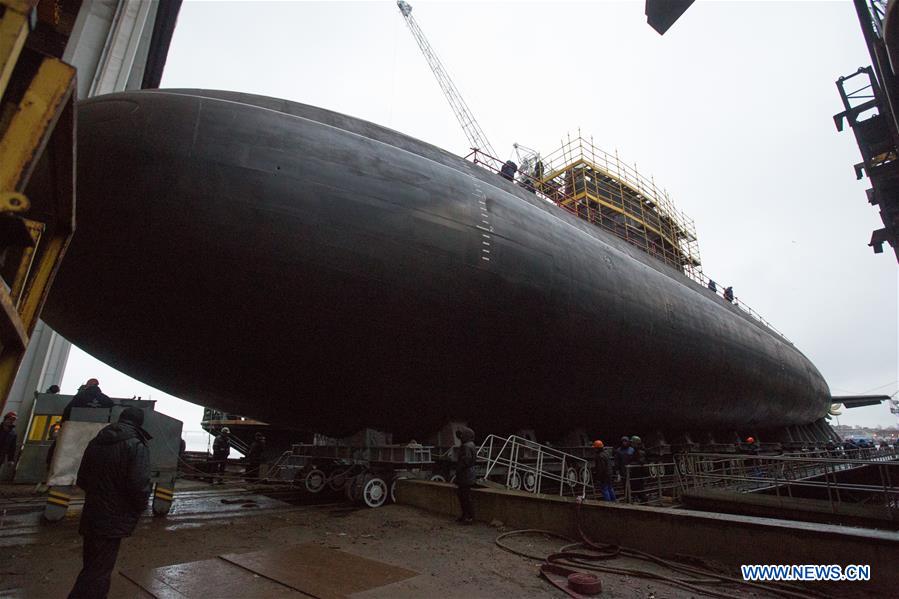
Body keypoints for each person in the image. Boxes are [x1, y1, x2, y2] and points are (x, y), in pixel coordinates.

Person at [68, 407, 151, 599]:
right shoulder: (135, 445)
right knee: (100, 571)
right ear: (139, 423)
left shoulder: (96, 441)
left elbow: (82, 479)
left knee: (91, 567)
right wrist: (139, 507)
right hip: (115, 516)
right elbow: (139, 484)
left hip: (92, 514)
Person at [454, 426, 477, 524]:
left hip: (465, 475)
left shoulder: (466, 446)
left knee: (464, 496)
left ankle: (468, 517)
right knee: (464, 496)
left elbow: (465, 460)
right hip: (469, 474)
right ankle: (466, 516)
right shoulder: (471, 444)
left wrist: (458, 469)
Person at [629, 435, 647, 503]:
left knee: (640, 487)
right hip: (636, 473)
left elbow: (641, 462)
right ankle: (640, 499)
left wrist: (631, 464)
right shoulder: (636, 451)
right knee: (636, 487)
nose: (631, 444)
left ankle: (643, 500)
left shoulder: (640, 452)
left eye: (633, 443)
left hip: (638, 474)